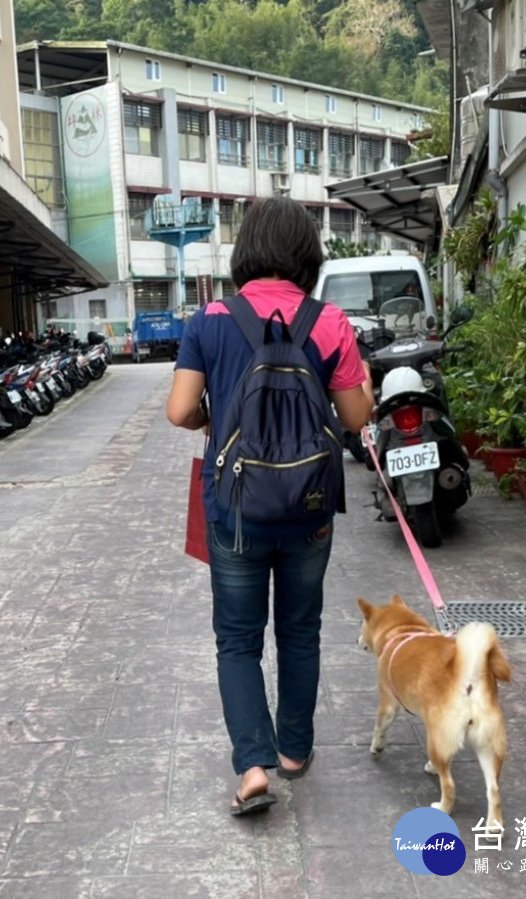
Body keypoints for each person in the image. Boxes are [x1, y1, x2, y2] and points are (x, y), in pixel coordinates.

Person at [166, 197, 374, 816]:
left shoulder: (210, 320)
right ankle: (294, 751)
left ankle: (252, 766)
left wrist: (215, 418)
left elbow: (180, 411)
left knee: (236, 639)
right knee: (300, 630)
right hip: (308, 506)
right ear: (307, 256)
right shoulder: (330, 321)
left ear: (245, 252)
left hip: (235, 509)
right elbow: (357, 417)